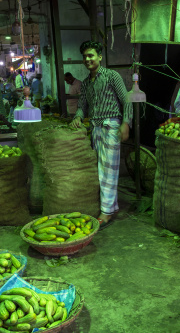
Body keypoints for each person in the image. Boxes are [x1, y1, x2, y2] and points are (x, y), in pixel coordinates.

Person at [69, 40, 132, 229]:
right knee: (100, 169)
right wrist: (78, 117)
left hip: (111, 126)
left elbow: (126, 99)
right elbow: (82, 106)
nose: (88, 59)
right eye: (85, 56)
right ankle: (110, 206)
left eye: (91, 55)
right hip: (95, 128)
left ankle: (107, 212)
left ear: (99, 57)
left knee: (108, 170)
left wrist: (126, 124)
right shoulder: (87, 82)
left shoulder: (112, 76)